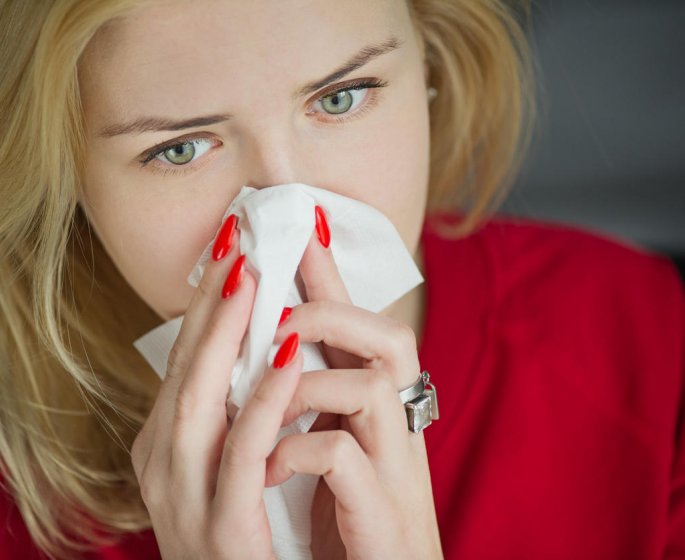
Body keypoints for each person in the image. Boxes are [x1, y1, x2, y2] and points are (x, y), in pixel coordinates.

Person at [1, 0, 683, 558]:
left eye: (341, 98)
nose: (289, 212)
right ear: (65, 183)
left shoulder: (641, 340)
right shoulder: (21, 492)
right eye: (178, 149)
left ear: (431, 66)